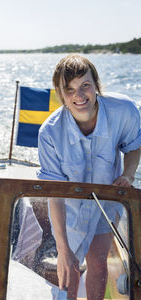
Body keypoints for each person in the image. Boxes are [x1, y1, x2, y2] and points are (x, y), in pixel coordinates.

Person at [36, 53, 141, 300]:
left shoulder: (123, 110)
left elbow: (134, 145)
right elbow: (54, 194)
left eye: (85, 85)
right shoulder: (49, 133)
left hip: (106, 201)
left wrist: (128, 174)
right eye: (69, 89)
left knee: (98, 263)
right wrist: (62, 249)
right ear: (60, 94)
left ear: (96, 85)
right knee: (69, 265)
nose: (79, 96)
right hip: (68, 206)